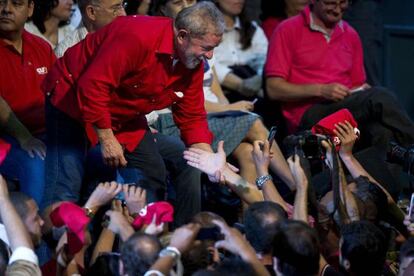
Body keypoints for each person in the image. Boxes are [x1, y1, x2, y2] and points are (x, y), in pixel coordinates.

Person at [42, 2, 225, 219]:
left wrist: (209, 160)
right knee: (66, 186)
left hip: (123, 111)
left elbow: (192, 116)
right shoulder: (137, 36)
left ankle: (156, 244)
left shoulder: (191, 61)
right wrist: (107, 138)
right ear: (182, 36)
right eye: (206, 48)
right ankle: (52, 250)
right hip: (71, 98)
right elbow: (93, 86)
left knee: (153, 169)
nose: (211, 56)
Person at [150, 0, 296, 188]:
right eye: (179, 2)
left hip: (213, 115)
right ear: (162, 8)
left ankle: (254, 212)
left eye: (191, 0)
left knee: (247, 152)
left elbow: (215, 86)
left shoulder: (204, 42)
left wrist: (229, 111)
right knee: (253, 122)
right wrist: (230, 109)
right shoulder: (173, 47)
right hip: (180, 120)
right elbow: (184, 103)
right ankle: (296, 188)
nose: (187, 5)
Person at [265, 0, 414, 151]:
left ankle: (382, 172)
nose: (337, 10)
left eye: (343, 3)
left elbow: (357, 84)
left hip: (346, 109)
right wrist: (321, 90)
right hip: (308, 114)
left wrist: (361, 91)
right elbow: (273, 88)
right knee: (380, 96)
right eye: (330, 3)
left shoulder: (350, 34)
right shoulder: (288, 29)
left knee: (382, 131)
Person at [0, 0, 56, 205]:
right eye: (1, 3)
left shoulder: (41, 46)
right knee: (35, 161)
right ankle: (35, 233)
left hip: (46, 133)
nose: (6, 9)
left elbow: (60, 93)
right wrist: (25, 138)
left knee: (90, 153)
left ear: (30, 9)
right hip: (7, 139)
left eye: (16, 3)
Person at [213, 0, 268, 101]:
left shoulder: (253, 29)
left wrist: (260, 77)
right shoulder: (204, 30)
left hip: (255, 90)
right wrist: (240, 84)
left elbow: (264, 59)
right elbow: (206, 64)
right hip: (220, 93)